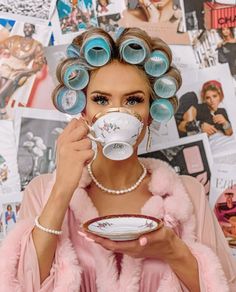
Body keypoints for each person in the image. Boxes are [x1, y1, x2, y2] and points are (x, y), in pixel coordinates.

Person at [0, 27, 235, 291]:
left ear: (150, 113)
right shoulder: (43, 191)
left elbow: (225, 285)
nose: (117, 112)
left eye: (133, 100)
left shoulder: (186, 194)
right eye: (101, 99)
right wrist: (63, 188)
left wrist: (172, 250)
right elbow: (19, 284)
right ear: (84, 109)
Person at [0, 23, 45, 118]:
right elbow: (2, 45)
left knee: (2, 94)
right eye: (25, 27)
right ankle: (3, 114)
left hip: (20, 70)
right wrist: (5, 52)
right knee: (2, 95)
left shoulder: (37, 46)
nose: (27, 29)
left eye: (29, 27)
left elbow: (38, 65)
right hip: (7, 65)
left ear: (33, 29)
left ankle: (3, 114)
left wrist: (25, 73)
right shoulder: (15, 38)